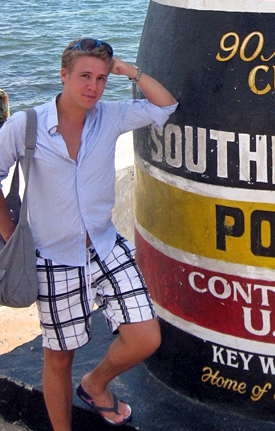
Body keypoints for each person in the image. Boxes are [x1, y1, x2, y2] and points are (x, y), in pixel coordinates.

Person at [0, 38, 178, 430]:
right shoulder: (26, 126)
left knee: (146, 338)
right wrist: (11, 234)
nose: (93, 87)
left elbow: (165, 105)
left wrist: (128, 71)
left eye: (100, 78)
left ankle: (95, 384)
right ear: (63, 75)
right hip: (54, 259)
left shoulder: (110, 117)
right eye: (84, 76)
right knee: (59, 357)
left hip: (105, 246)